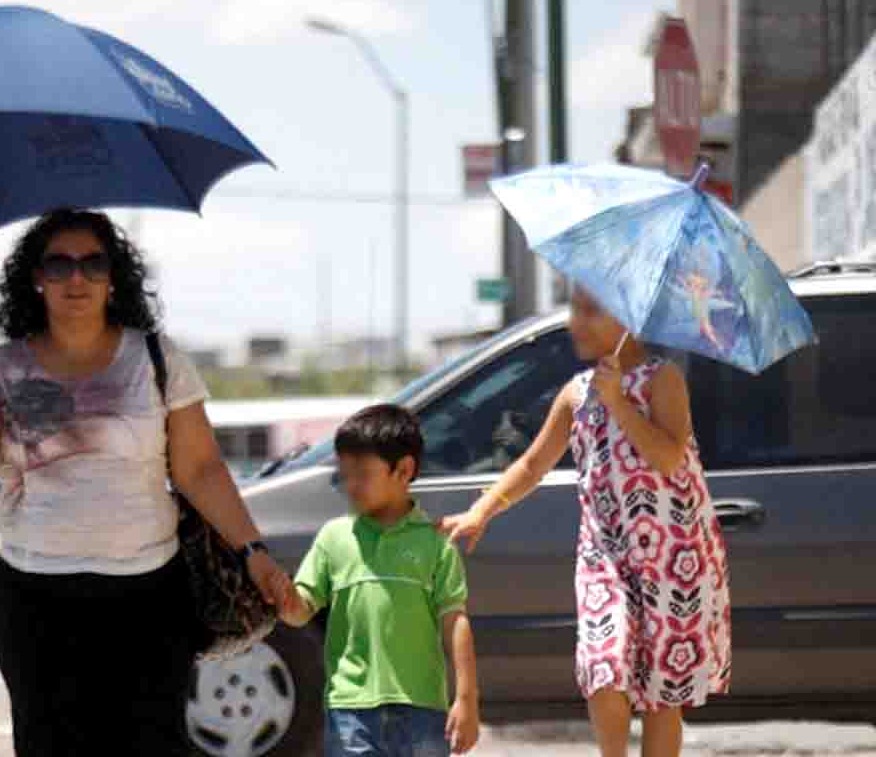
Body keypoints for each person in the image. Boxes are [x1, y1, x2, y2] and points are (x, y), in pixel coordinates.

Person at [0, 208, 294, 756]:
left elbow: (200, 469)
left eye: (93, 263)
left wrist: (253, 551)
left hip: (148, 596)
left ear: (114, 277)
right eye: (58, 264)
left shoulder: (158, 358)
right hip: (37, 599)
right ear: (35, 278)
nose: (76, 278)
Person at [439, 286, 732, 757]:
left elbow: (668, 457)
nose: (575, 321)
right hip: (605, 557)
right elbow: (532, 465)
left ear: (629, 318)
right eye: (574, 309)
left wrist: (618, 401)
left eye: (590, 310)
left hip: (673, 558)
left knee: (663, 695)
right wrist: (482, 509)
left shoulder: (663, 379)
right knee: (603, 666)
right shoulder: (575, 393)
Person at [281, 404, 481, 757]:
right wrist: (278, 597)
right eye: (345, 474)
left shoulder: (435, 543)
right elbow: (300, 610)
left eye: (362, 473)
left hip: (422, 710)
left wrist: (466, 700)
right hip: (349, 710)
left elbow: (455, 621)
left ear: (403, 470)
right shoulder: (334, 538)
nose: (350, 485)